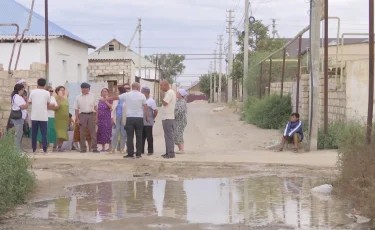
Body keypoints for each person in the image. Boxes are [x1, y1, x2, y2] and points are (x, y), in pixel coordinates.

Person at [103, 82, 149, 159]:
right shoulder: (142, 95)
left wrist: (106, 99)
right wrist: (147, 117)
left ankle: (130, 153)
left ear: (132, 87)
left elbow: (116, 97)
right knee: (139, 136)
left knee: (130, 136)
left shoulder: (127, 94)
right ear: (138, 88)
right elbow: (146, 106)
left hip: (130, 118)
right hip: (139, 118)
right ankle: (138, 154)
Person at [74, 82, 99, 153]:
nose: (86, 90)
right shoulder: (78, 97)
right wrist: (77, 118)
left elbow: (96, 107)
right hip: (82, 115)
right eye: (85, 88)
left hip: (91, 114)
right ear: (82, 89)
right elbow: (76, 108)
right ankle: (83, 149)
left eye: (88, 89)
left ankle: (94, 148)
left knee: (93, 132)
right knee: (82, 132)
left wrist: (96, 117)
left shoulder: (93, 96)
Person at [29, 78, 51, 153]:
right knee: (44, 133)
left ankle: (34, 148)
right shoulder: (47, 93)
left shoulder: (32, 92)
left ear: (37, 84)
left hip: (34, 115)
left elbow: (29, 101)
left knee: (34, 133)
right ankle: (45, 148)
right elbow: (48, 103)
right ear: (44, 85)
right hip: (43, 116)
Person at [36, 86, 57, 152]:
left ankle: (46, 146)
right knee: (43, 131)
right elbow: (43, 106)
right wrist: (51, 106)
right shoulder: (43, 98)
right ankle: (41, 146)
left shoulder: (53, 98)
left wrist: (50, 106)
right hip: (44, 116)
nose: (51, 92)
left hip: (51, 116)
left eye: (52, 91)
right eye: (50, 91)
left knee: (50, 131)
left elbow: (56, 107)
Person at [160, 80, 177, 159]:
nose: (160, 88)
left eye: (161, 86)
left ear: (165, 85)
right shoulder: (168, 93)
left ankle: (171, 153)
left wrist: (161, 96)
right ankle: (167, 152)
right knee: (167, 136)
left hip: (168, 118)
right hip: (166, 118)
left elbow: (165, 103)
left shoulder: (170, 92)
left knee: (169, 136)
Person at [10, 84, 28, 152]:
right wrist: (27, 102)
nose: (23, 91)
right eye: (22, 89)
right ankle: (17, 149)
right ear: (19, 90)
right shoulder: (17, 97)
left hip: (20, 118)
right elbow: (23, 107)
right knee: (18, 133)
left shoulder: (18, 97)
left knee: (19, 133)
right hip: (18, 117)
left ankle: (18, 148)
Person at [141, 86, 158, 155]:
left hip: (148, 122)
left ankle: (150, 151)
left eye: (142, 92)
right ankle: (141, 150)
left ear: (147, 93)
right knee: (141, 137)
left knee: (149, 137)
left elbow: (156, 111)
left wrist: (152, 118)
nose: (141, 93)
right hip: (141, 122)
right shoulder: (141, 100)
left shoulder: (151, 101)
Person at [111, 86, 127, 154]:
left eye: (117, 91)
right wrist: (112, 118)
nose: (116, 92)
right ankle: (113, 148)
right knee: (115, 133)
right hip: (116, 117)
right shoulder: (115, 100)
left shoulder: (126, 99)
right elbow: (112, 110)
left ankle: (122, 149)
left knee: (123, 134)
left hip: (124, 118)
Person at [53, 86, 69, 152]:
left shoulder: (65, 99)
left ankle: (60, 147)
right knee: (57, 133)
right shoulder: (55, 98)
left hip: (64, 118)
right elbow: (56, 107)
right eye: (61, 90)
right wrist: (60, 98)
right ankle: (54, 146)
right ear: (57, 91)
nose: (63, 91)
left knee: (63, 133)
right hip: (58, 118)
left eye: (63, 90)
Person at [174, 89, 188, 154]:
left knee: (179, 134)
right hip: (177, 120)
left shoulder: (182, 102)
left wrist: (173, 115)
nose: (176, 94)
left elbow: (180, 111)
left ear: (180, 95)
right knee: (176, 134)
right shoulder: (178, 101)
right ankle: (180, 148)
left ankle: (181, 149)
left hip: (180, 120)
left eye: (177, 93)